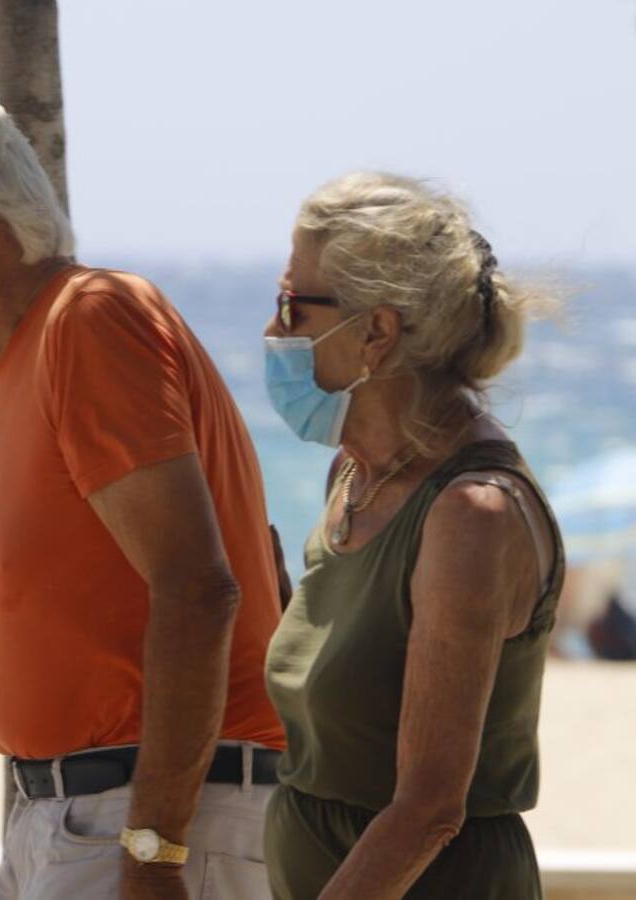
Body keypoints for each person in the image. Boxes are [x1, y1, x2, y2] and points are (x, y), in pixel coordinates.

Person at [0, 88, 286, 899]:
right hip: (77, 814)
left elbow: (197, 586)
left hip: (139, 814)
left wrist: (154, 850)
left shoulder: (90, 319)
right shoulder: (24, 360)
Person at [262, 172, 564, 899]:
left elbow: (428, 811)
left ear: (376, 331)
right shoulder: (352, 477)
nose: (273, 332)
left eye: (291, 306)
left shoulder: (470, 514)